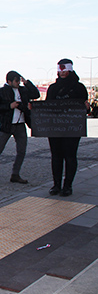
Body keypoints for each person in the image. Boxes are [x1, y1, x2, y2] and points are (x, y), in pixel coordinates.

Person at [0, 71, 40, 185]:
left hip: (20, 124)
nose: (18, 83)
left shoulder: (23, 90)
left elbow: (36, 94)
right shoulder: (1, 92)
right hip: (6, 125)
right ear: (9, 81)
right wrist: (9, 106)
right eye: (16, 81)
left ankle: (15, 174)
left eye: (19, 81)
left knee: (21, 150)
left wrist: (27, 82)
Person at [46, 59, 89, 197]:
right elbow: (47, 106)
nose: (62, 72)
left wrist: (86, 107)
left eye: (65, 70)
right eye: (60, 70)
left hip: (72, 128)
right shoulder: (53, 88)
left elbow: (84, 107)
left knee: (70, 156)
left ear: (70, 70)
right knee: (56, 156)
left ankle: (68, 186)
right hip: (55, 128)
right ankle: (56, 185)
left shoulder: (79, 87)